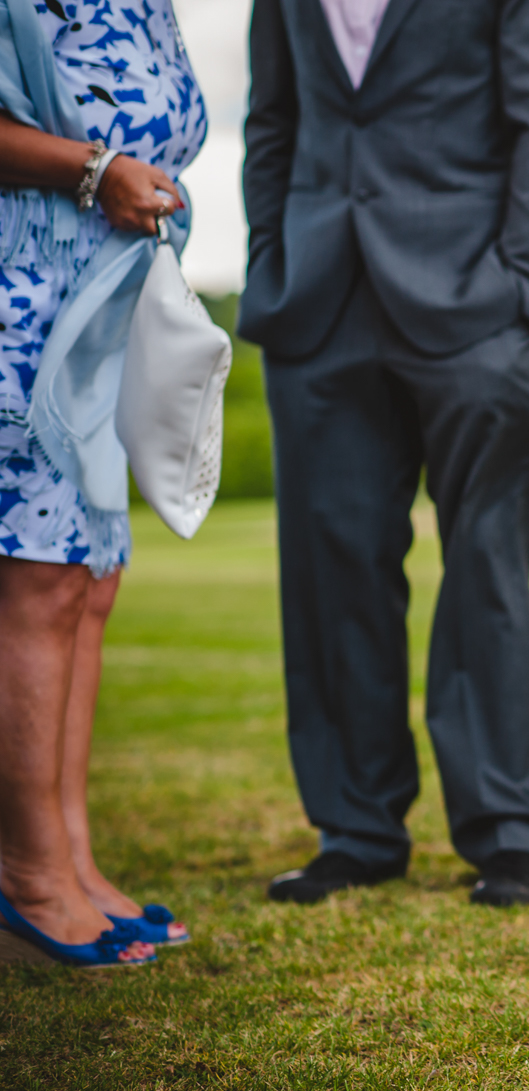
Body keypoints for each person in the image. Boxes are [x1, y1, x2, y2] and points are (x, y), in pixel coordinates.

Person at [239, 0, 529, 907]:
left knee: (485, 569)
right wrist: (269, 261)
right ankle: (355, 830)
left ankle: (507, 833)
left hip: (477, 303)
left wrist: (527, 286)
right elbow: (272, 119)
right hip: (315, 306)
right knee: (333, 575)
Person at [0, 0, 202, 966]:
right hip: (24, 298)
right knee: (40, 578)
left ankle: (70, 853)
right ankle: (28, 869)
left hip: (104, 297)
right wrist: (93, 171)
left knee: (90, 577)